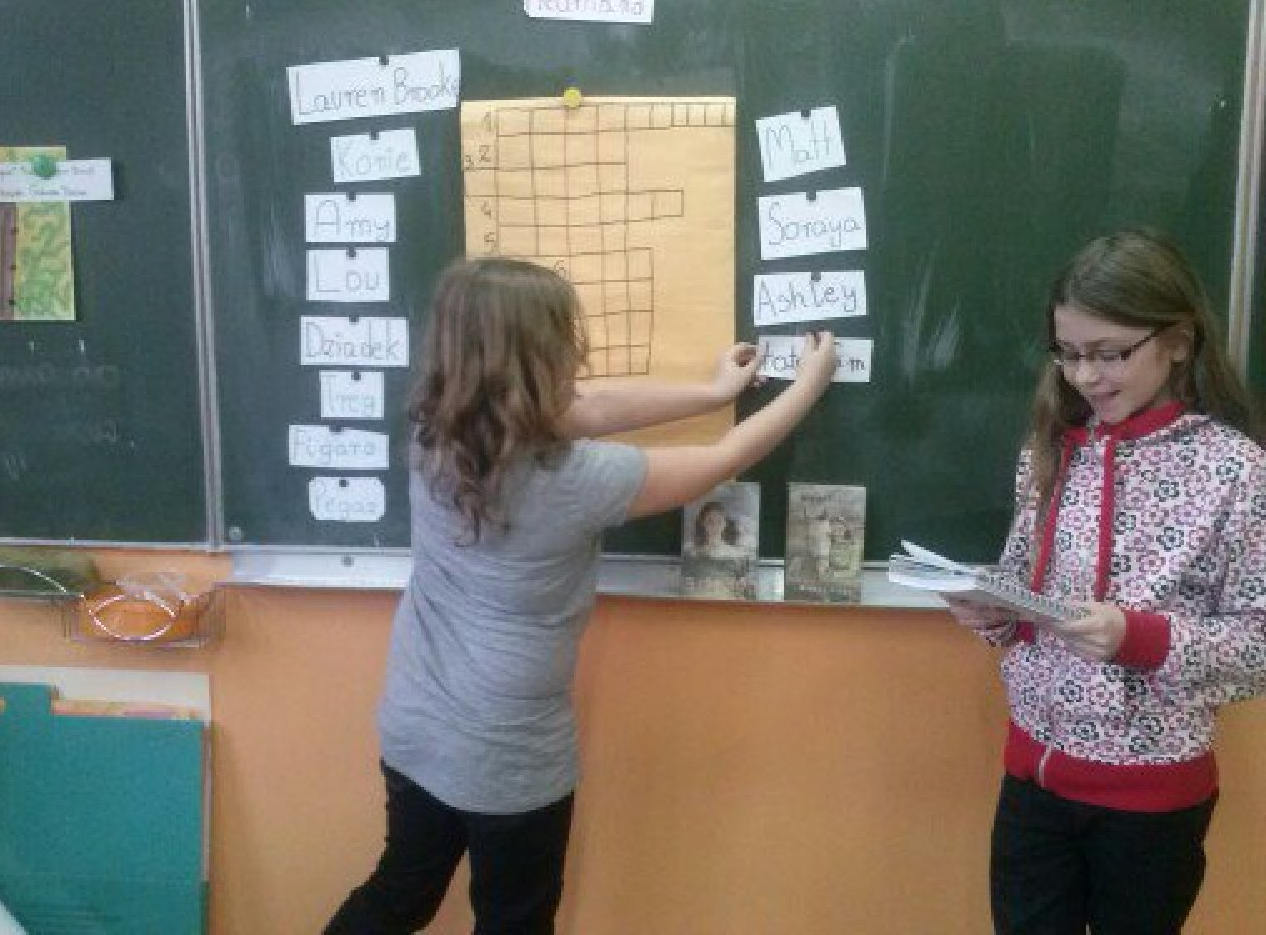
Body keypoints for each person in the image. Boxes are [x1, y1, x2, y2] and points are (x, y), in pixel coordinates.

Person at [324, 256, 836, 935]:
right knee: (514, 922)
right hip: (509, 752)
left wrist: (710, 393)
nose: (576, 350)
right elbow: (722, 460)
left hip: (415, 723)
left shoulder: (433, 434)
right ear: (540, 356)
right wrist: (808, 385)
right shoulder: (571, 479)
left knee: (400, 892)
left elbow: (589, 409)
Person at [946, 228, 1266, 935]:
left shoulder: (1237, 471)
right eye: (1068, 353)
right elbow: (1025, 583)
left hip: (1150, 800)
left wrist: (1139, 637)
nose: (1085, 376)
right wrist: (997, 610)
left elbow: (1258, 646)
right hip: (1032, 778)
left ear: (1177, 341)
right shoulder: (1049, 451)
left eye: (1109, 353)